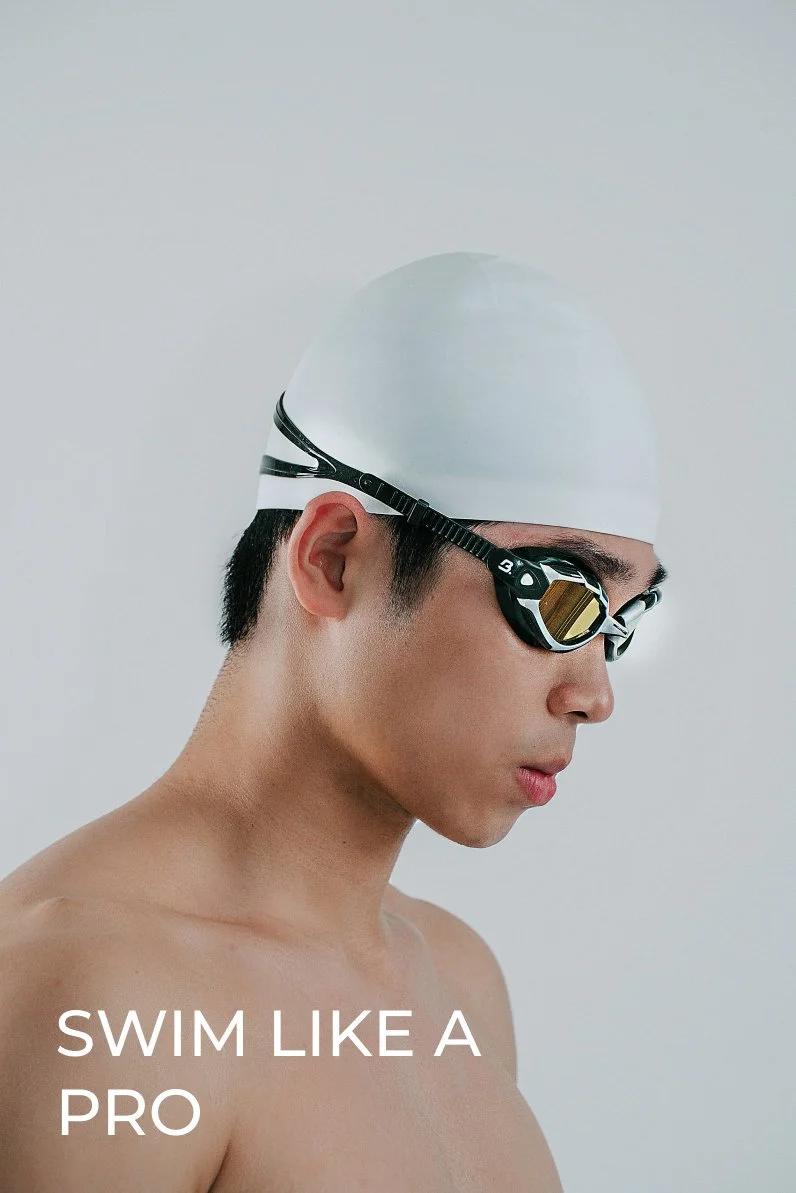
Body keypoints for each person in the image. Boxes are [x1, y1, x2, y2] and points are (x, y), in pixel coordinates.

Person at [0, 251, 667, 1191]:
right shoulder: (88, 1002)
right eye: (557, 595)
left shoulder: (458, 982)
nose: (593, 693)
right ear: (331, 558)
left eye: (616, 621)